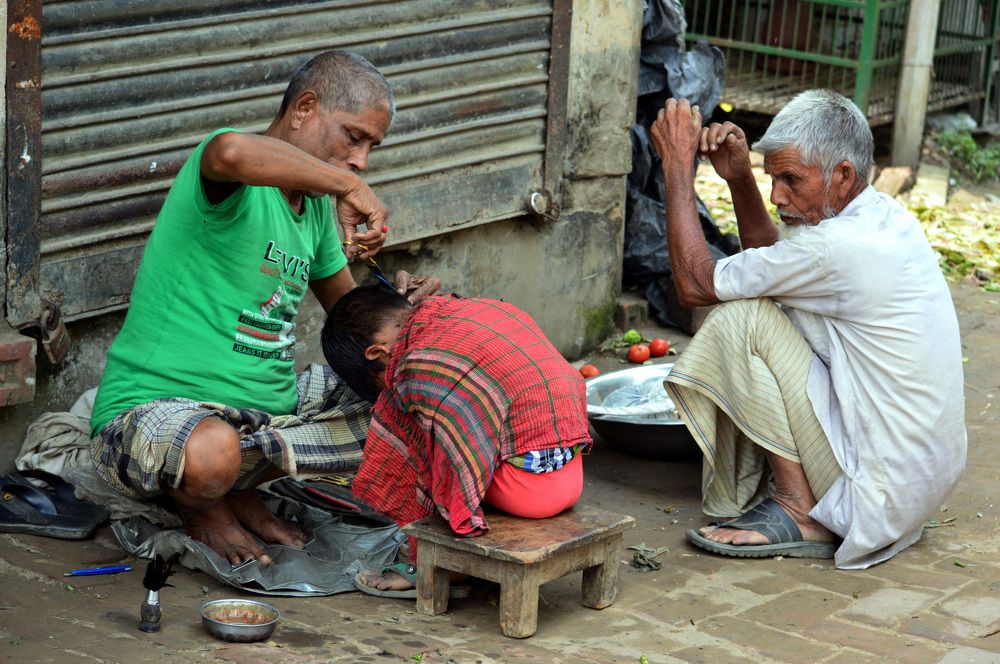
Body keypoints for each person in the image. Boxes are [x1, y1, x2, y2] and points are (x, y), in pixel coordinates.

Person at [89, 51, 439, 567]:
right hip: (161, 419)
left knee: (413, 391)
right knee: (212, 453)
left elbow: (350, 322)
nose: (362, 161)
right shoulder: (231, 177)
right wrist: (345, 184)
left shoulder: (316, 208)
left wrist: (400, 314)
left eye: (372, 147)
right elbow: (228, 150)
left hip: (265, 428)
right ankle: (203, 506)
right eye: (354, 137)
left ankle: (237, 491)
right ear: (304, 109)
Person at [650, 90, 966, 569]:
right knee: (754, 307)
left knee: (737, 318)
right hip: (914, 486)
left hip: (874, 495)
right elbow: (772, 268)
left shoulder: (837, 248)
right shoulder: (883, 219)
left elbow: (695, 286)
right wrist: (738, 179)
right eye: (772, 178)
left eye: (791, 179)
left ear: (842, 176)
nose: (778, 195)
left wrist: (677, 167)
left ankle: (802, 511)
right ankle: (805, 496)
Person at [321, 285, 590, 596]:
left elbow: (448, 453)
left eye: (378, 380)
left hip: (528, 493)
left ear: (377, 352)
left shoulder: (416, 362)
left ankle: (431, 563)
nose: (388, 383)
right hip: (571, 474)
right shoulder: (477, 308)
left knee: (397, 424)